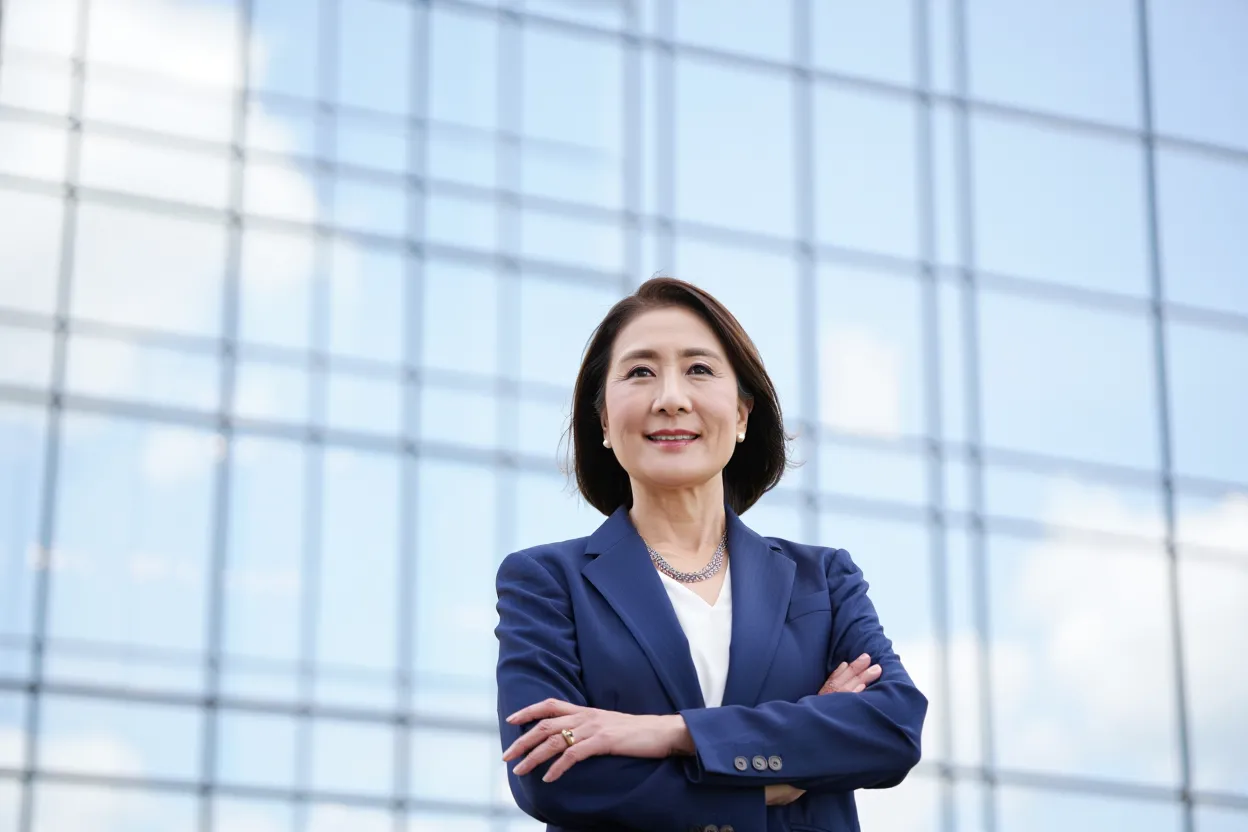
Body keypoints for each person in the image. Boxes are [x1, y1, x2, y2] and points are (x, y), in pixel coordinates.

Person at [495, 277, 927, 832]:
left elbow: (891, 727)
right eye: (640, 372)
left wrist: (667, 732)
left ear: (743, 415)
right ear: (604, 421)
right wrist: (779, 778)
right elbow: (548, 767)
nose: (670, 397)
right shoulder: (546, 581)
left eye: (699, 369)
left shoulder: (821, 580)